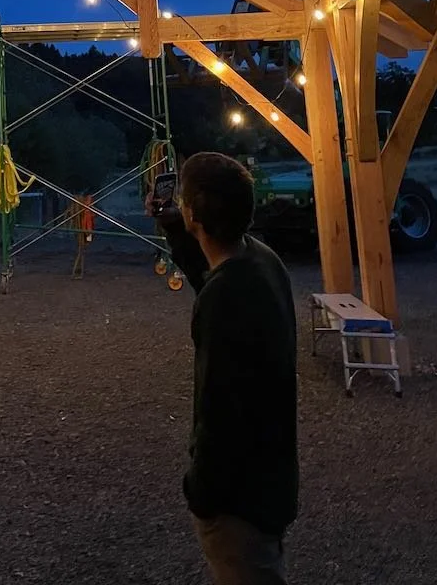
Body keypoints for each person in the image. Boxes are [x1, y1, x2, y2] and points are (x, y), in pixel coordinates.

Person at [147, 152, 297, 585]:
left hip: (238, 500)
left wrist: (202, 492)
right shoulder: (260, 260)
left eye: (183, 201)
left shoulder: (225, 298)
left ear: (195, 212)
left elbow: (219, 407)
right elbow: (210, 274)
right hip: (270, 479)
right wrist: (176, 228)